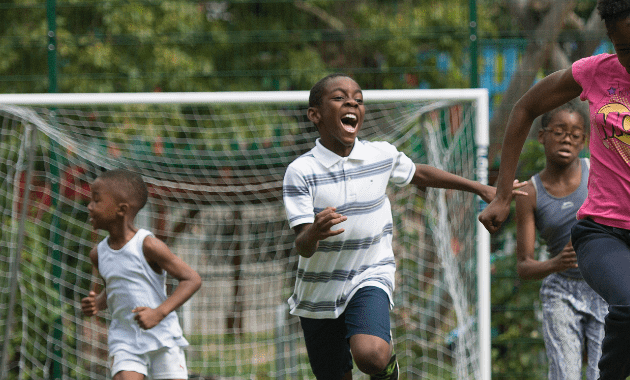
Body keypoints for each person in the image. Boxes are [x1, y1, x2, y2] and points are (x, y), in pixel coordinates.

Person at [283, 73, 526, 380]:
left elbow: (419, 173)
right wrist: (315, 231)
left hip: (369, 274)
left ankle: (388, 372)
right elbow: (303, 245)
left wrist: (479, 188)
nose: (351, 103)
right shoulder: (301, 172)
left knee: (372, 356)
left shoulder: (379, 154)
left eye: (358, 99)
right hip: (318, 291)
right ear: (315, 114)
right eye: (339, 97)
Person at [479, 1, 630, 377]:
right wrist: (501, 194)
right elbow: (524, 108)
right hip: (603, 231)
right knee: (629, 305)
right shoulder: (595, 73)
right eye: (624, 49)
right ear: (610, 39)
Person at [515, 100, 607, 379]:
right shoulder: (529, 192)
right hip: (561, 291)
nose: (567, 138)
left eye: (576, 133)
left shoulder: (598, 174)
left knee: (602, 373)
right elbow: (524, 266)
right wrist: (557, 262)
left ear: (584, 142)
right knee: (566, 374)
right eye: (559, 131)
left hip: (603, 287)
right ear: (542, 136)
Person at [81, 169, 202, 380]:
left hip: (163, 338)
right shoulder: (98, 254)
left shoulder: (147, 245)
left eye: (96, 201)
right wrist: (98, 303)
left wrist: (158, 313)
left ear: (122, 209)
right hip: (126, 340)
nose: (89, 206)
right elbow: (117, 289)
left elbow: (192, 279)